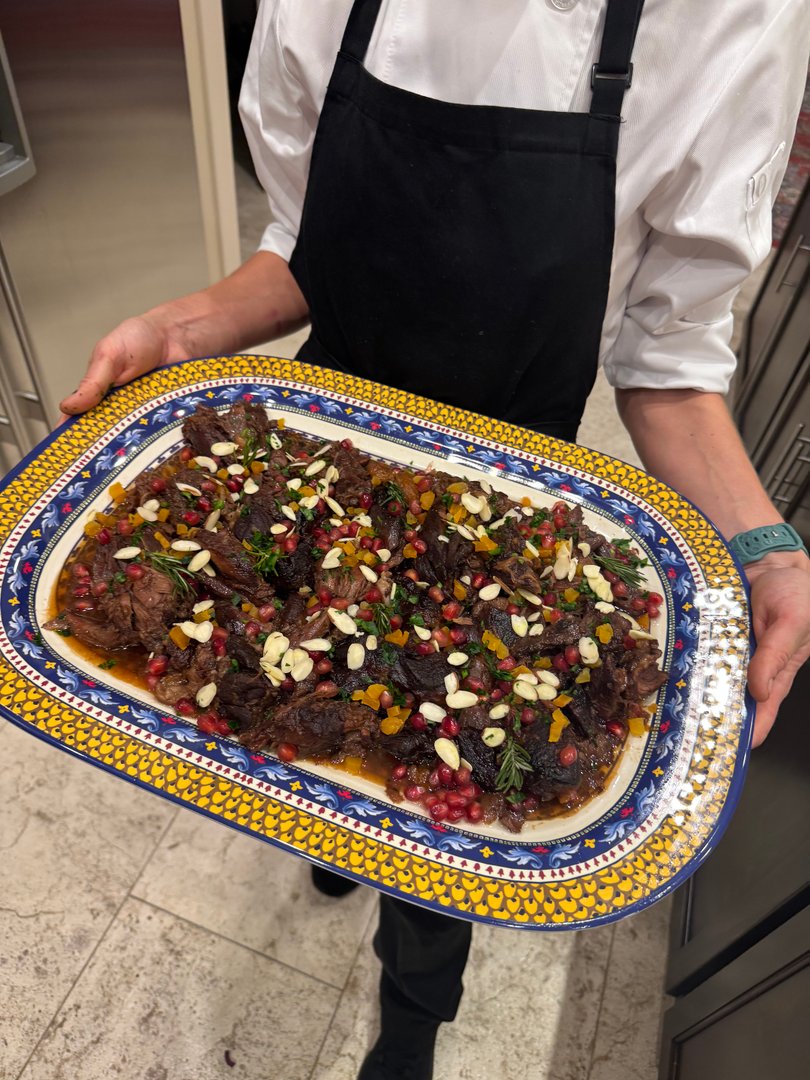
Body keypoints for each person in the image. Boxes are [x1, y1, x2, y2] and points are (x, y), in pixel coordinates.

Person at [61, 2, 810, 1078]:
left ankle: (411, 1022)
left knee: (458, 789)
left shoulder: (732, 12)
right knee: (288, 702)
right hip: (315, 465)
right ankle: (328, 831)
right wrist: (176, 331)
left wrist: (766, 548)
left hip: (503, 526)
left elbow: (669, 363)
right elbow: (299, 252)